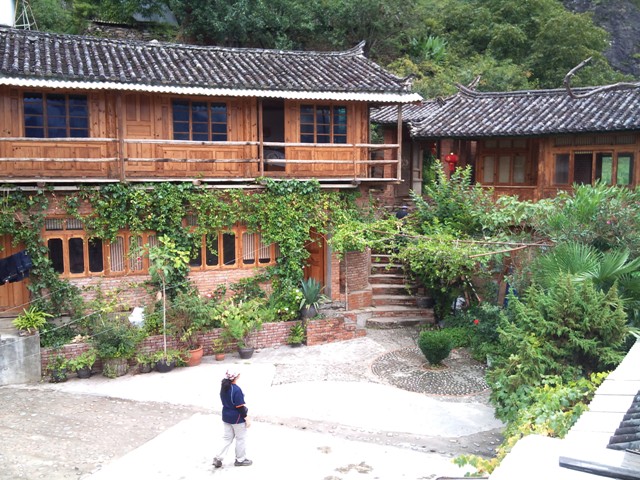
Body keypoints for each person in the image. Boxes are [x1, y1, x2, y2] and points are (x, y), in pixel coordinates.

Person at [212, 368, 252, 468]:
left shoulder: (224, 386)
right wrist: (246, 417)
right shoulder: (236, 389)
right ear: (236, 377)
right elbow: (240, 407)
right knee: (240, 438)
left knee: (227, 438)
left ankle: (218, 458)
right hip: (237, 418)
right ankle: (240, 460)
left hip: (226, 416)